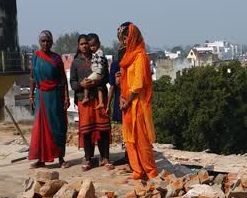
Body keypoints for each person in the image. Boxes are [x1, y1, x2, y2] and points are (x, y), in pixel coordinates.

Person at [117, 22, 157, 180]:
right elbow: (124, 81)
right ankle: (137, 170)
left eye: (126, 37)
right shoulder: (127, 57)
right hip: (127, 103)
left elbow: (138, 84)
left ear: (133, 37)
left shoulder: (140, 56)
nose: (124, 41)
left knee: (141, 139)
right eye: (122, 38)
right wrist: (121, 97)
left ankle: (151, 172)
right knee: (129, 140)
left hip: (137, 104)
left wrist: (128, 101)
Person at [70, 33, 112, 171]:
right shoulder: (76, 62)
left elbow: (106, 77)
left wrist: (96, 80)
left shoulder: (100, 58)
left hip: (99, 98)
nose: (85, 46)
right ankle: (88, 158)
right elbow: (73, 83)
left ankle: (105, 157)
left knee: (103, 129)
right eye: (81, 44)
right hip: (84, 100)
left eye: (86, 43)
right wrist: (82, 84)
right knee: (87, 131)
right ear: (78, 46)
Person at [29, 30, 70, 168]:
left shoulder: (57, 59)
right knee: (40, 128)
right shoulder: (35, 56)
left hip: (55, 96)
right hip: (41, 96)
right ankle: (41, 159)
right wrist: (31, 94)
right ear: (39, 42)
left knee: (57, 127)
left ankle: (61, 158)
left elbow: (63, 79)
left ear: (52, 42)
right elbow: (32, 77)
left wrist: (66, 97)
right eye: (43, 41)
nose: (45, 43)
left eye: (48, 41)